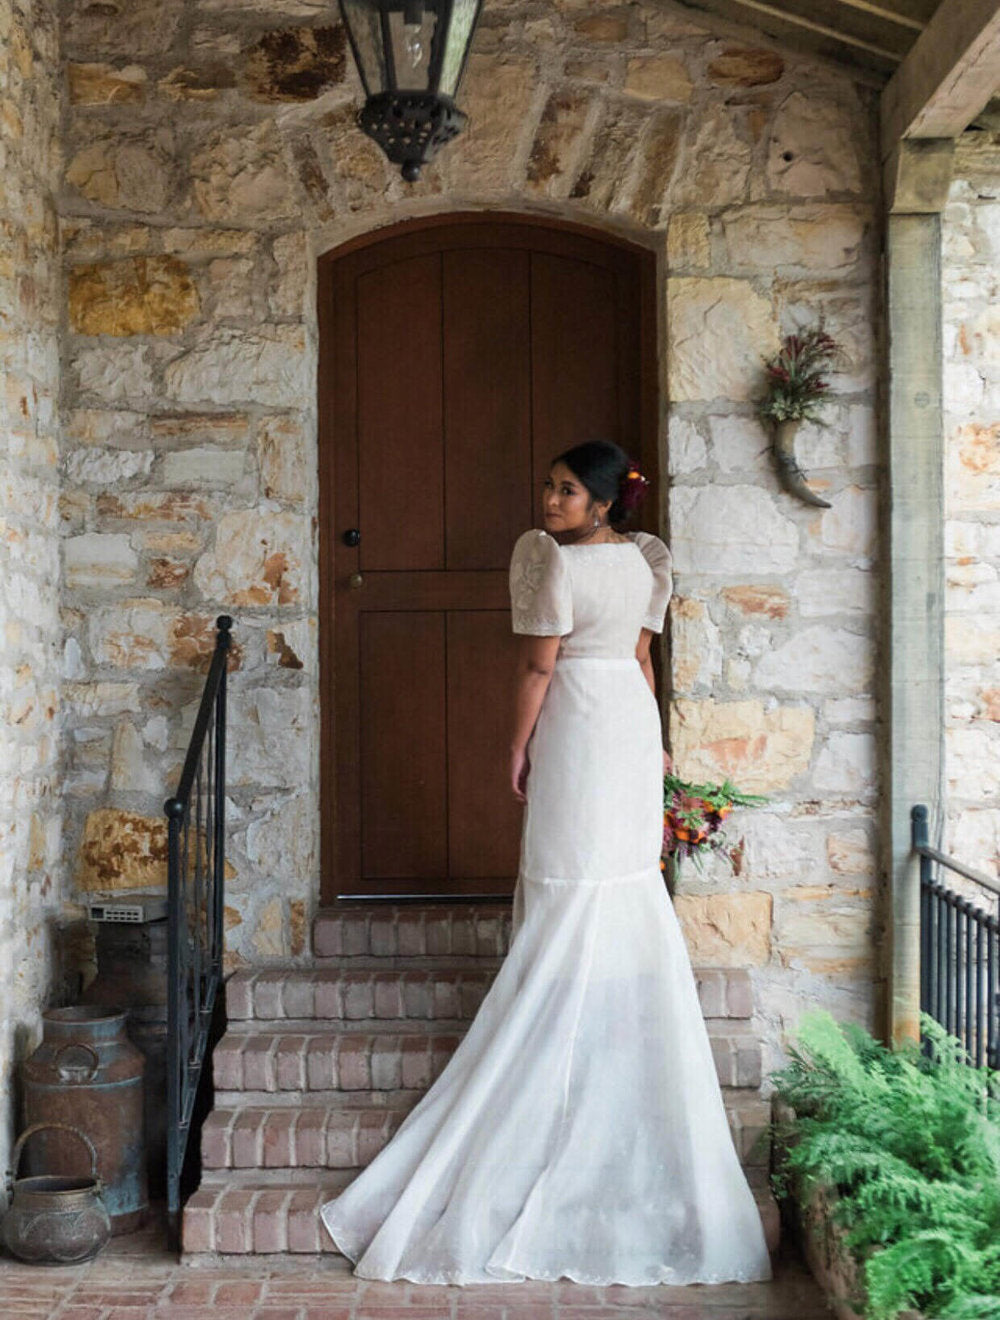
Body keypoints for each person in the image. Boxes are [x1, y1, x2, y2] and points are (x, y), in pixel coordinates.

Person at [320, 440, 773, 1287]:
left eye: (567, 490)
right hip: (628, 725)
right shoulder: (643, 564)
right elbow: (643, 659)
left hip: (580, 723)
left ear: (603, 503)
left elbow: (538, 666)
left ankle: (561, 1024)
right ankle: (589, 1021)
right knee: (607, 877)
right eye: (550, 486)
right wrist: (661, 748)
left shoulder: (553, 565)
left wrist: (517, 745)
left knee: (575, 873)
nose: (551, 498)